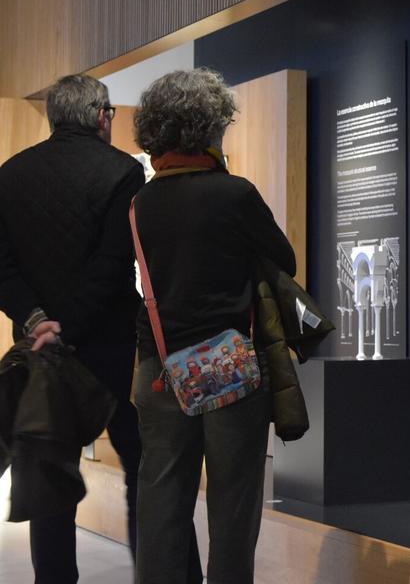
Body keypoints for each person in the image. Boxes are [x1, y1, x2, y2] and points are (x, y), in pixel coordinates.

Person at [0, 73, 144, 583]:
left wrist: (37, 321)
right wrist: (66, 323)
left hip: (41, 351)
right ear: (100, 117)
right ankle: (157, 573)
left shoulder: (11, 174)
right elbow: (113, 266)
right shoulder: (123, 174)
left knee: (48, 475)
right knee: (141, 468)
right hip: (111, 350)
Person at [130, 67, 296, 584]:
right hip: (230, 366)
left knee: (160, 501)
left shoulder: (142, 202)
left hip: (158, 367)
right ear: (208, 128)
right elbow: (283, 259)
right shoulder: (235, 194)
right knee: (233, 505)